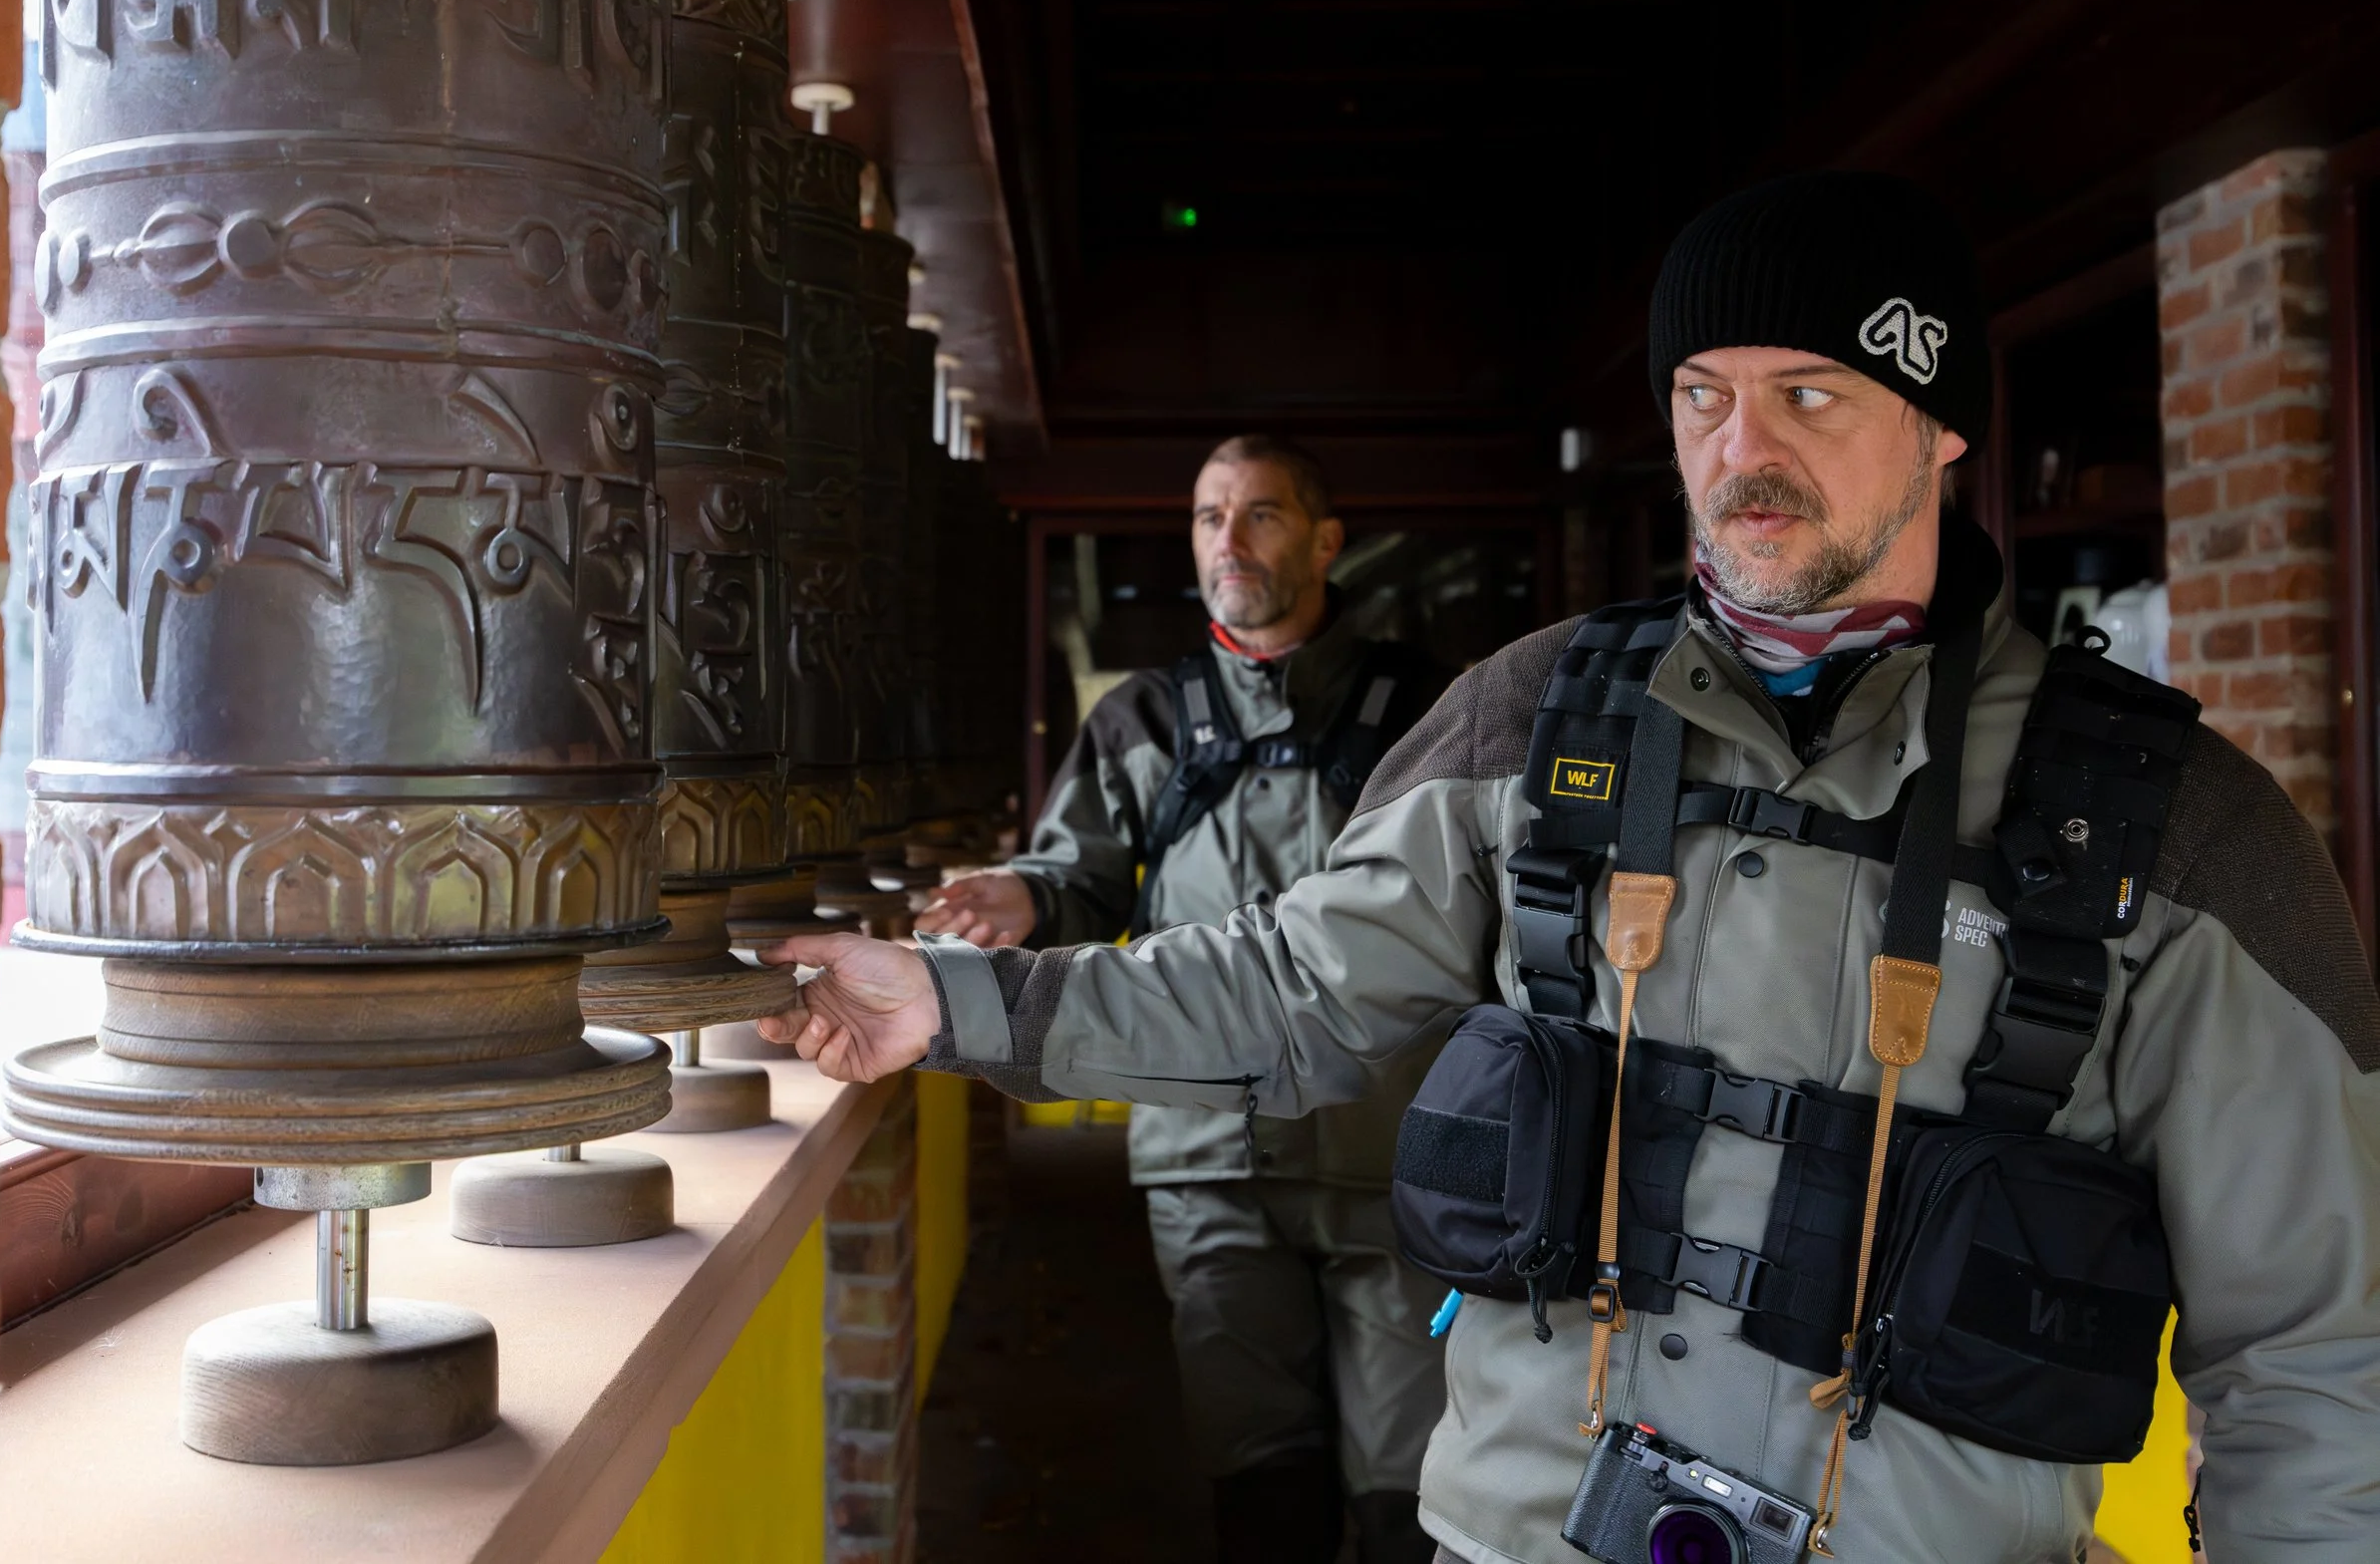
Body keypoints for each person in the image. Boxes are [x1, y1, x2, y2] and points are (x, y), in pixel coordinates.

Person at [763, 173, 2380, 1564]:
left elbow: (2319, 1357)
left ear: (1943, 420)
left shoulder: (2173, 821)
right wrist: (950, 998)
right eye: (1702, 395)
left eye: (1810, 392)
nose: (1743, 447)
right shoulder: (1530, 718)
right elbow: (1291, 985)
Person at [915, 435, 1453, 1564]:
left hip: (1390, 1149)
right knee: (1256, 1462)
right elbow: (1081, 878)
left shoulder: (1429, 711)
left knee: (1407, 1481)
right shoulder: (1144, 718)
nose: (1229, 540)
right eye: (1210, 517)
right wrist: (1022, 891)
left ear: (1323, 538)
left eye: (1260, 514)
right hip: (1207, 1156)